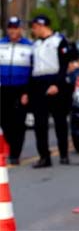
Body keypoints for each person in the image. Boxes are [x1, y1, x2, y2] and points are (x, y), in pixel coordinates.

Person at [29, 15, 71, 168]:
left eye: (35, 27)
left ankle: (64, 154)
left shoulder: (59, 41)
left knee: (60, 121)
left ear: (42, 26)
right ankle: (44, 157)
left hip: (54, 82)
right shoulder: (35, 45)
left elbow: (64, 65)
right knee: (40, 123)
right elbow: (32, 67)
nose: (33, 30)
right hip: (38, 83)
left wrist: (57, 84)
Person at [0, 17, 32, 165]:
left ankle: (15, 153)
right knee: (5, 121)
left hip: (21, 89)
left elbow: (33, 71)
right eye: (10, 28)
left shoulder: (29, 46)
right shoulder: (1, 44)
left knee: (18, 122)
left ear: (20, 29)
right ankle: (11, 143)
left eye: (16, 28)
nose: (13, 30)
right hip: (3, 88)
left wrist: (27, 91)